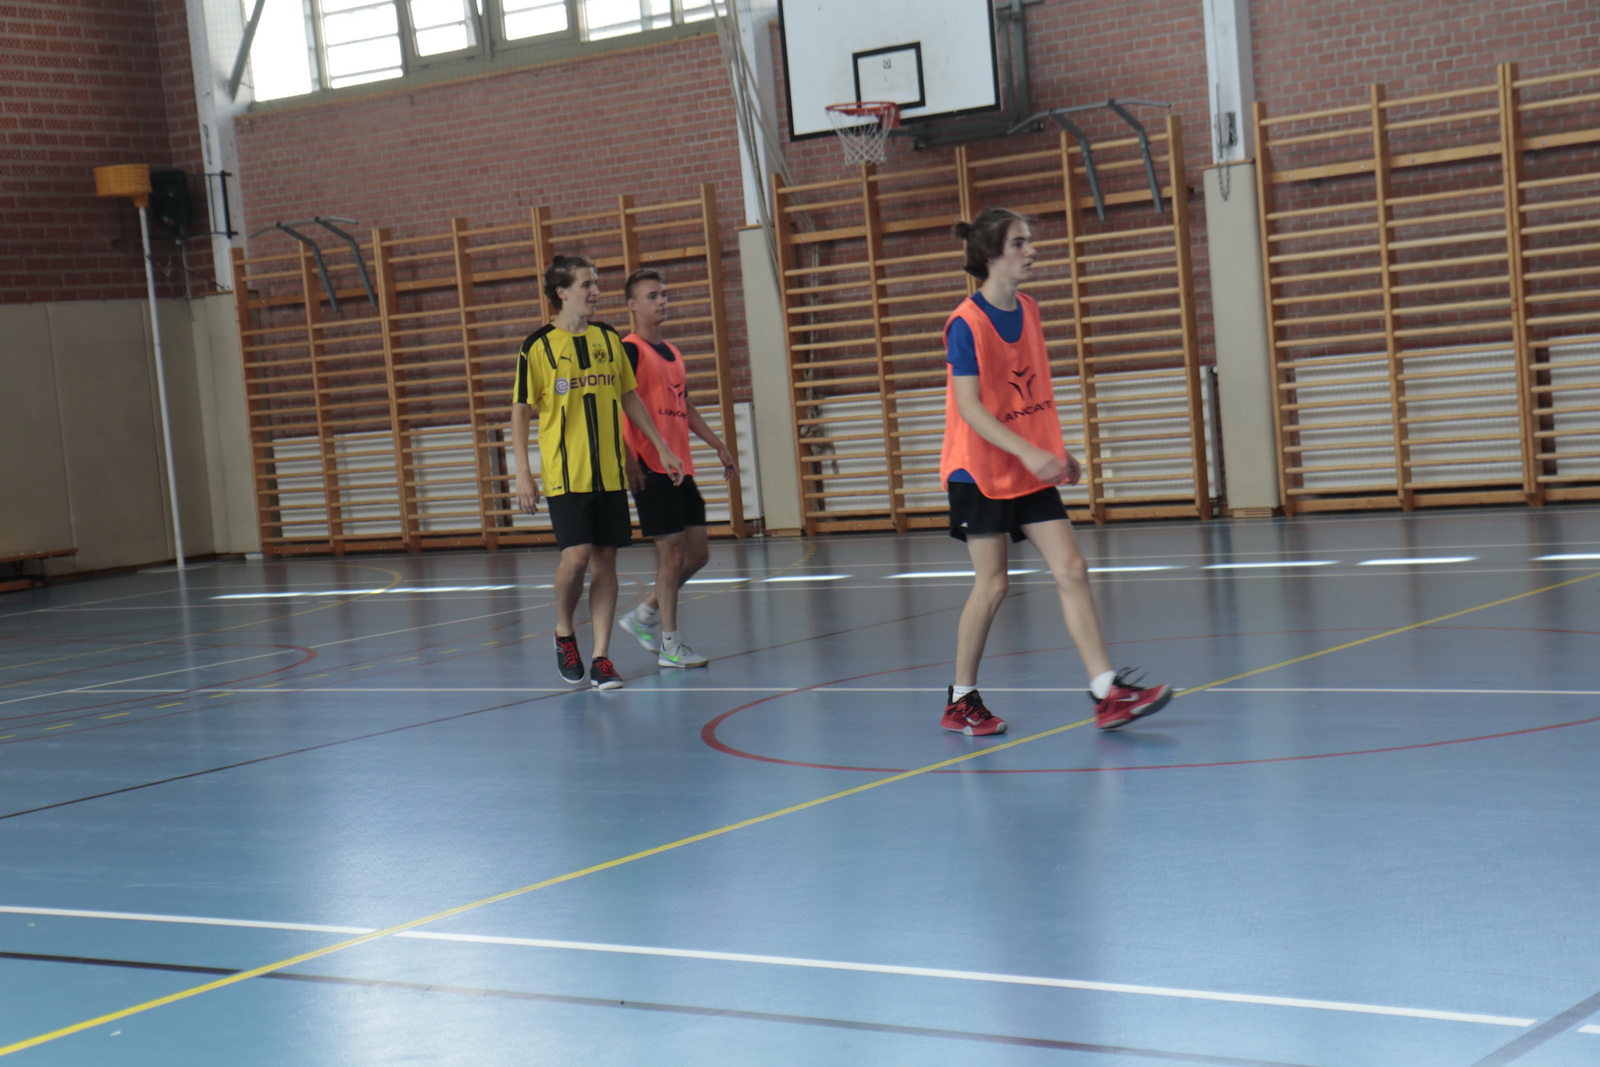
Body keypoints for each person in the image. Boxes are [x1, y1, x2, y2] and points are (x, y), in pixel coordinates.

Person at [939, 208, 1171, 735]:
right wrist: (1027, 451)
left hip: (1027, 463)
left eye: (1030, 241)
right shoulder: (966, 323)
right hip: (978, 469)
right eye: (1019, 243)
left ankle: (1106, 692)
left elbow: (1032, 393)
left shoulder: (1030, 309)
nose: (1032, 250)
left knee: (1072, 568)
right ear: (992, 255)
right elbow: (970, 407)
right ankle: (960, 700)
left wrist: (1055, 451)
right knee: (992, 585)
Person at [511, 255, 683, 690]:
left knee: (606, 559)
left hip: (609, 473)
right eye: (587, 284)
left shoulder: (609, 338)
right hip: (566, 473)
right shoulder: (537, 347)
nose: (595, 291)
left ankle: (602, 657)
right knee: (576, 558)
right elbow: (520, 410)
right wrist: (523, 473)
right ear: (562, 292)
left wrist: (661, 448)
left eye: (597, 283)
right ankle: (564, 630)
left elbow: (629, 397)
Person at [615, 268, 739, 669]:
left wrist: (717, 444)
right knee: (670, 554)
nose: (661, 301)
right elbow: (614, 405)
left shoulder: (673, 353)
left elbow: (683, 405)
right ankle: (670, 644)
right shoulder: (629, 349)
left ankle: (644, 614)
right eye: (652, 296)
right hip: (649, 464)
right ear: (633, 305)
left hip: (680, 467)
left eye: (664, 294)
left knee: (697, 553)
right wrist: (628, 458)